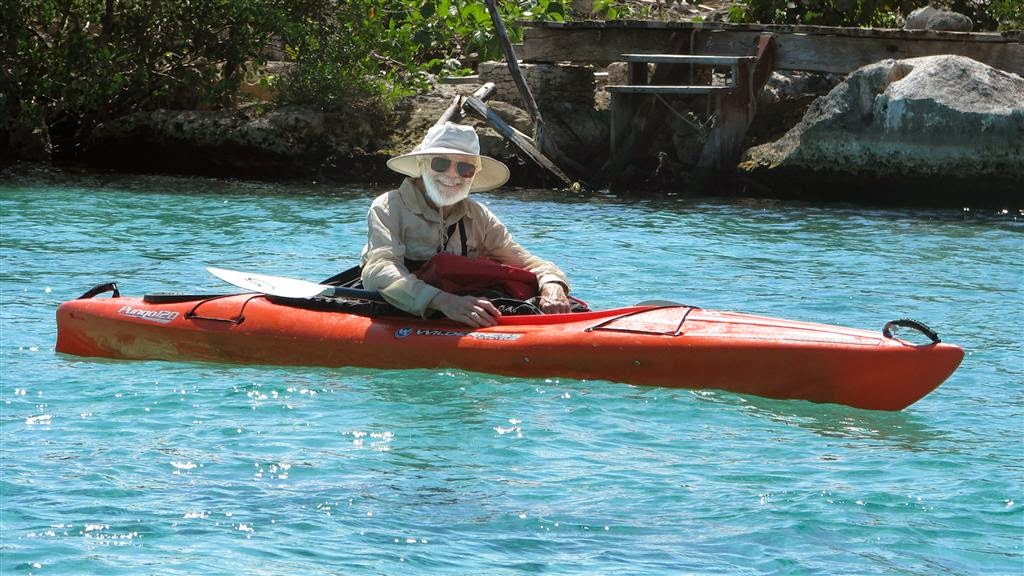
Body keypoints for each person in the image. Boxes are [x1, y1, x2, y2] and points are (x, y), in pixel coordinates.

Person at [360, 122, 571, 328]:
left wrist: (553, 284)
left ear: (474, 174)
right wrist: (442, 301)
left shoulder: (479, 216)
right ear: (421, 165)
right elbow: (379, 270)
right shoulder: (388, 207)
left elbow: (528, 263)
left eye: (465, 168)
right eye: (440, 163)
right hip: (403, 309)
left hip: (461, 308)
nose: (452, 175)